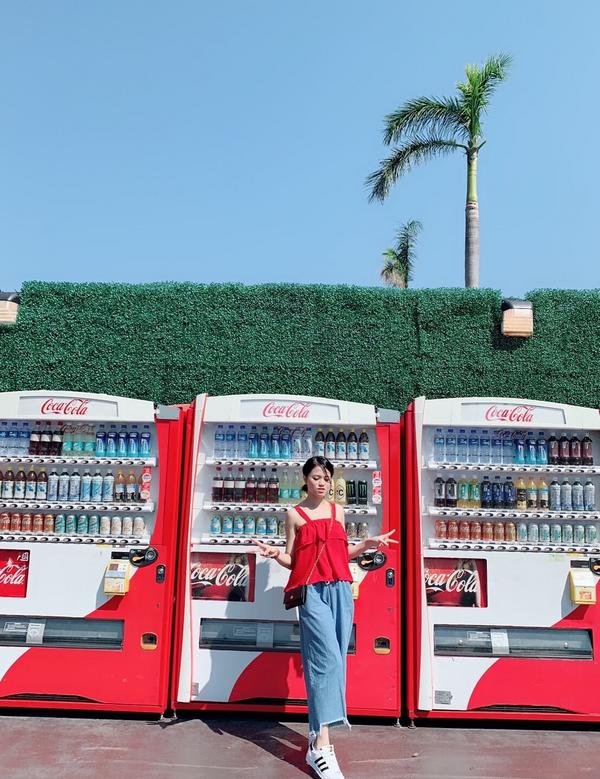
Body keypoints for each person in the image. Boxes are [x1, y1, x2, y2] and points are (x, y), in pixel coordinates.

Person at [256, 456, 397, 779]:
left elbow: (339, 554)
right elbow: (293, 559)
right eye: (317, 477)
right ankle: (322, 745)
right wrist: (276, 555)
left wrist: (366, 544)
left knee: (336, 661)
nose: (322, 483)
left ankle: (316, 736)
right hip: (313, 593)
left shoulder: (338, 511)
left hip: (341, 589)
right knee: (326, 661)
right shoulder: (295, 514)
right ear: (305, 479)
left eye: (327, 478)